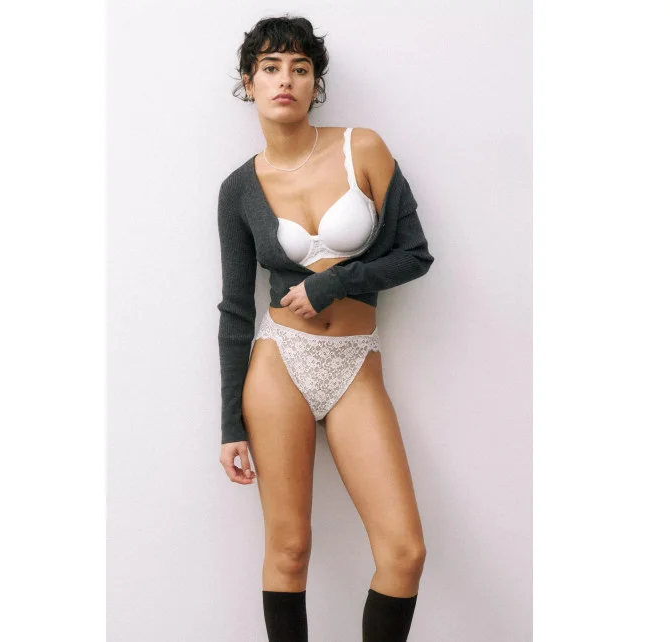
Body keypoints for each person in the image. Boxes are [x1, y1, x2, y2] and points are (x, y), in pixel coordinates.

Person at [216, 15, 435, 642]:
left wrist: (330, 283)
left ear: (316, 83)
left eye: (300, 67)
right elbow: (235, 310)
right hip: (277, 362)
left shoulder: (361, 148)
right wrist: (230, 425)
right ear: (249, 83)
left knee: (404, 552)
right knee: (289, 550)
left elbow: (415, 255)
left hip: (354, 364)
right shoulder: (238, 189)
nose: (285, 79)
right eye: (270, 67)